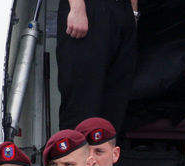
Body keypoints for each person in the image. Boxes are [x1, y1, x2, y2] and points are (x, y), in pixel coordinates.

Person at [57, 0, 138, 131]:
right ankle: (77, 151)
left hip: (123, 9)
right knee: (82, 102)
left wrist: (133, 11)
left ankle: (104, 150)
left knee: (115, 100)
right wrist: (77, 6)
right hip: (90, 8)